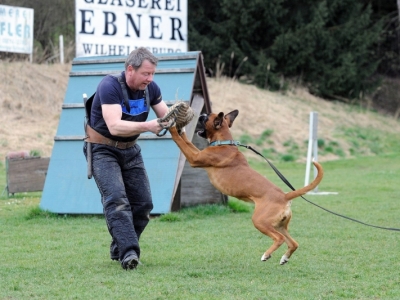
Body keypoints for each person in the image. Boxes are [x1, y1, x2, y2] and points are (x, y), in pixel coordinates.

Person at [83, 47, 169, 270]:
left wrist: (177, 117)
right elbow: (114, 125)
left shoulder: (151, 88)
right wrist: (148, 126)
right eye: (146, 74)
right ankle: (129, 252)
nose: (150, 79)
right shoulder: (110, 85)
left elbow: (166, 116)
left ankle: (120, 246)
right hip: (102, 148)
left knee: (143, 204)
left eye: (152, 74)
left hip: (130, 149)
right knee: (117, 200)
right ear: (130, 69)